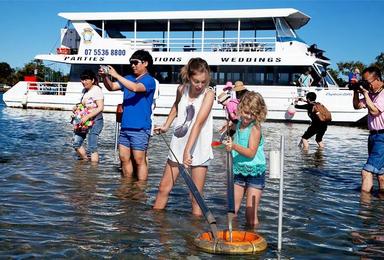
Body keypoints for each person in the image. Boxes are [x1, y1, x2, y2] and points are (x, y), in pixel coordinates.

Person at [153, 57, 215, 216]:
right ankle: (157, 227)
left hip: (198, 149)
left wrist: (188, 151)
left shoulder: (209, 95)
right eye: (196, 81)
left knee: (195, 196)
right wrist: (166, 125)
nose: (200, 85)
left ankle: (195, 235)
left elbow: (198, 123)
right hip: (178, 146)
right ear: (189, 76)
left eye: (203, 81)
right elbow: (176, 106)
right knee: (163, 189)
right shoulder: (181, 89)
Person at [99, 50, 156, 180]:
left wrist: (117, 75)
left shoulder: (149, 80)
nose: (133, 65)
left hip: (140, 128)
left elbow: (136, 88)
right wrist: (105, 77)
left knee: (139, 160)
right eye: (131, 63)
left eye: (136, 63)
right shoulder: (128, 78)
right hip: (125, 126)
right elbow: (112, 87)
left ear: (145, 63)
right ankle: (127, 185)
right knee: (124, 159)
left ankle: (141, 188)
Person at [223, 91, 267, 226]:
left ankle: (253, 238)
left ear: (258, 114)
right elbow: (230, 134)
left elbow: (251, 153)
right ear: (241, 109)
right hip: (238, 170)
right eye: (246, 112)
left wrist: (234, 146)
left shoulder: (255, 128)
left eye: (253, 114)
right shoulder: (238, 123)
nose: (248, 117)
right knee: (232, 210)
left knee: (250, 213)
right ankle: (231, 237)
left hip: (255, 172)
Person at [352, 66, 384, 193]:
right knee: (381, 176)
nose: (367, 85)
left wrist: (365, 94)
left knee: (366, 172)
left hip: (382, 137)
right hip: (373, 136)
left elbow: (375, 111)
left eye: (368, 82)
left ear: (377, 79)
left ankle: (365, 209)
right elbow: (357, 106)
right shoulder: (372, 93)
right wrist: (355, 91)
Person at [72, 70, 104, 162]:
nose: (83, 82)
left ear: (93, 80)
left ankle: (93, 172)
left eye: (86, 79)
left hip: (96, 121)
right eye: (82, 79)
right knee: (76, 143)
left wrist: (87, 116)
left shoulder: (96, 90)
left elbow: (100, 107)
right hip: (83, 122)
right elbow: (82, 105)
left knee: (92, 147)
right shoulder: (84, 91)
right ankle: (85, 162)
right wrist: (76, 108)